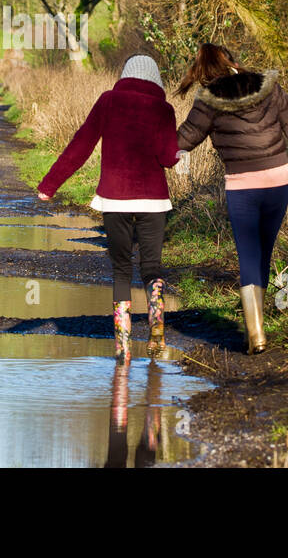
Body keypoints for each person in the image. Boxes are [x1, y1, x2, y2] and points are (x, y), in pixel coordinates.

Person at [175, 43, 288, 354]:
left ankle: (256, 333)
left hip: (242, 186)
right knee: (264, 251)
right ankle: (257, 326)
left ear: (202, 70)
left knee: (249, 254)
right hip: (279, 181)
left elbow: (184, 140)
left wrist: (154, 153)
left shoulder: (208, 100)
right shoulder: (269, 88)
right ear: (231, 61)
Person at [37, 54, 179, 362]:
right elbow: (169, 158)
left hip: (114, 198)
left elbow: (81, 145)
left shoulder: (108, 101)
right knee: (152, 268)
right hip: (154, 199)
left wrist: (50, 184)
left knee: (121, 269)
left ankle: (123, 346)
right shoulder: (164, 109)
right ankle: (156, 328)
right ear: (156, 80)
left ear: (125, 75)